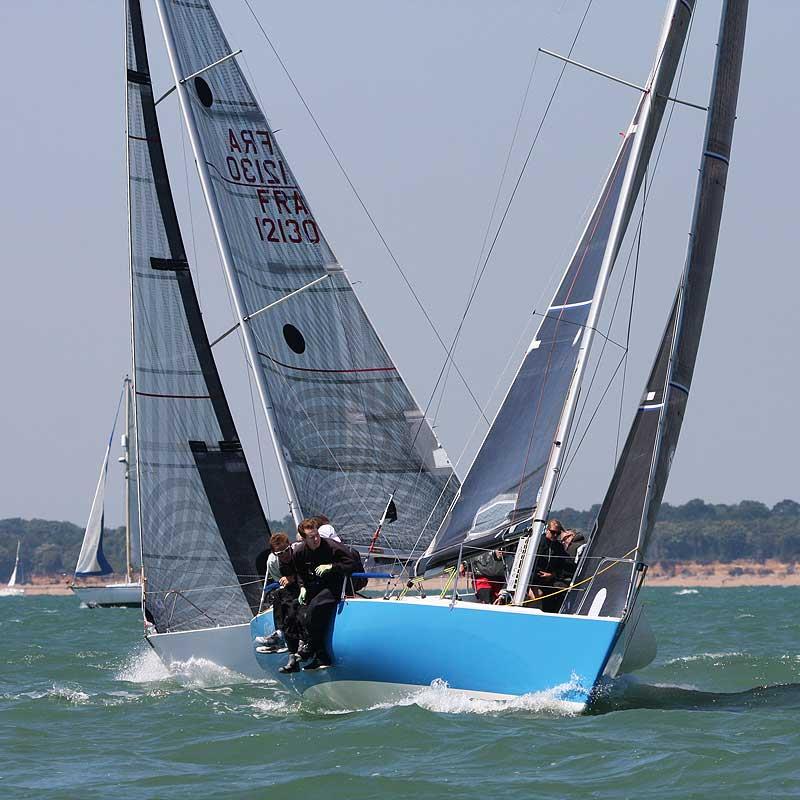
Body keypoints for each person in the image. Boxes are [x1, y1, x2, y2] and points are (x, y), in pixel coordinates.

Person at [280, 518, 360, 670]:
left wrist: (331, 566)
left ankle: (310, 650)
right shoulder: (299, 552)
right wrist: (302, 587)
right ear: (304, 539)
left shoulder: (331, 546)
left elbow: (352, 564)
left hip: (334, 586)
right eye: (312, 537)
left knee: (314, 608)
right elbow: (299, 573)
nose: (316, 539)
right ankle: (299, 655)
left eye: (317, 535)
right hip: (315, 587)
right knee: (295, 609)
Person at [529, 519, 575, 613]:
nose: (555, 535)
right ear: (547, 530)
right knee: (537, 595)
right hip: (532, 580)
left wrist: (553, 575)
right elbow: (529, 563)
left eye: (557, 533)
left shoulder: (558, 547)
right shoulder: (536, 543)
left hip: (549, 581)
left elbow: (566, 565)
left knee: (562, 591)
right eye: (553, 532)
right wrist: (535, 578)